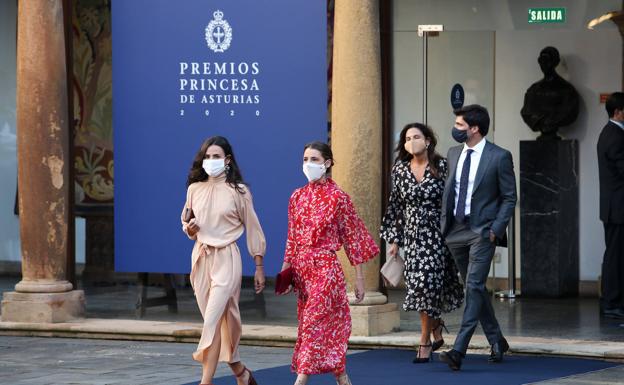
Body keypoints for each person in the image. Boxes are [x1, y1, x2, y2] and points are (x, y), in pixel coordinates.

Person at [278, 141, 379, 385]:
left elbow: (353, 238)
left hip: (326, 268)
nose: (308, 164)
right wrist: (286, 273)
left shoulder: (339, 198)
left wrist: (360, 278)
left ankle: (300, 381)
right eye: (305, 159)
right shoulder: (297, 197)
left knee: (313, 323)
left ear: (328, 163)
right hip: (302, 270)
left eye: (314, 159)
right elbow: (292, 237)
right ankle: (342, 376)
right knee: (314, 325)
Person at [181, 136, 266, 385]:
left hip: (227, 258)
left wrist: (259, 265)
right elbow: (186, 221)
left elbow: (253, 227)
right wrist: (191, 229)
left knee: (213, 320)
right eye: (207, 156)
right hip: (201, 257)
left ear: (227, 160)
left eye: (216, 156)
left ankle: (205, 382)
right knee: (218, 321)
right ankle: (240, 371)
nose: (211, 161)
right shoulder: (194, 189)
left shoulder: (238, 192)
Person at [439, 105, 517, 371]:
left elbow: (509, 197)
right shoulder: (452, 154)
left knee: (472, 286)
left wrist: (496, 228)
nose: (455, 129)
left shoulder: (499, 156)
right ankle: (497, 340)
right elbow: (450, 192)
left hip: (483, 231)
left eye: (460, 125)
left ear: (475, 128)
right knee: (476, 288)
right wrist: (445, 227)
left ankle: (459, 349)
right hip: (455, 232)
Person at [380, 123, 463, 363]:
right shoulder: (399, 170)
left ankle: (424, 340)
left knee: (428, 285)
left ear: (427, 140)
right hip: (412, 237)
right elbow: (395, 205)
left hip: (437, 235)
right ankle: (435, 330)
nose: (411, 141)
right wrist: (394, 240)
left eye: (416, 136)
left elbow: (453, 200)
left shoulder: (442, 166)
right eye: (407, 138)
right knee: (419, 288)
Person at [597, 92, 624, 319]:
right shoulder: (615, 136)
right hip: (618, 208)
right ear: (618, 112)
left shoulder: (609, 133)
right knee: (615, 256)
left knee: (615, 254)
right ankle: (611, 302)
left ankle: (612, 300)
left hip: (613, 207)